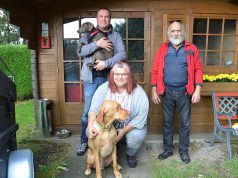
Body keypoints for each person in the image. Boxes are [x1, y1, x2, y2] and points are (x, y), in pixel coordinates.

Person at [151, 20, 203, 164]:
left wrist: (198, 89)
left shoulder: (191, 48)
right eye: (173, 31)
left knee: (184, 124)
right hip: (167, 91)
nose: (176, 33)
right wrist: (154, 90)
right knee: (167, 122)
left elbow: (198, 68)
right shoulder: (163, 49)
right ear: (169, 33)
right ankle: (168, 150)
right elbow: (155, 70)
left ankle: (183, 151)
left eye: (178, 30)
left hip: (185, 92)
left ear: (182, 32)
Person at [76, 7, 126, 156]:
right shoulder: (88, 34)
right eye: (101, 16)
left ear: (110, 19)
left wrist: (107, 63)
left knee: (109, 111)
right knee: (87, 112)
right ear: (97, 19)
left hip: (108, 79)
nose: (104, 19)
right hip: (91, 79)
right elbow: (80, 51)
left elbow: (122, 54)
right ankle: (84, 140)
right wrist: (97, 45)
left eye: (107, 17)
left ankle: (110, 140)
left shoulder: (115, 35)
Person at [88, 62, 149, 168]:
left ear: (129, 76)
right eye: (116, 74)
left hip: (130, 126)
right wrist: (90, 127)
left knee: (136, 136)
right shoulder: (103, 89)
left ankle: (130, 154)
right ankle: (104, 150)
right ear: (112, 76)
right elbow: (93, 110)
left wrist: (123, 131)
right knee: (90, 131)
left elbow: (141, 118)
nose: (120, 77)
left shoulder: (139, 92)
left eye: (124, 74)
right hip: (108, 127)